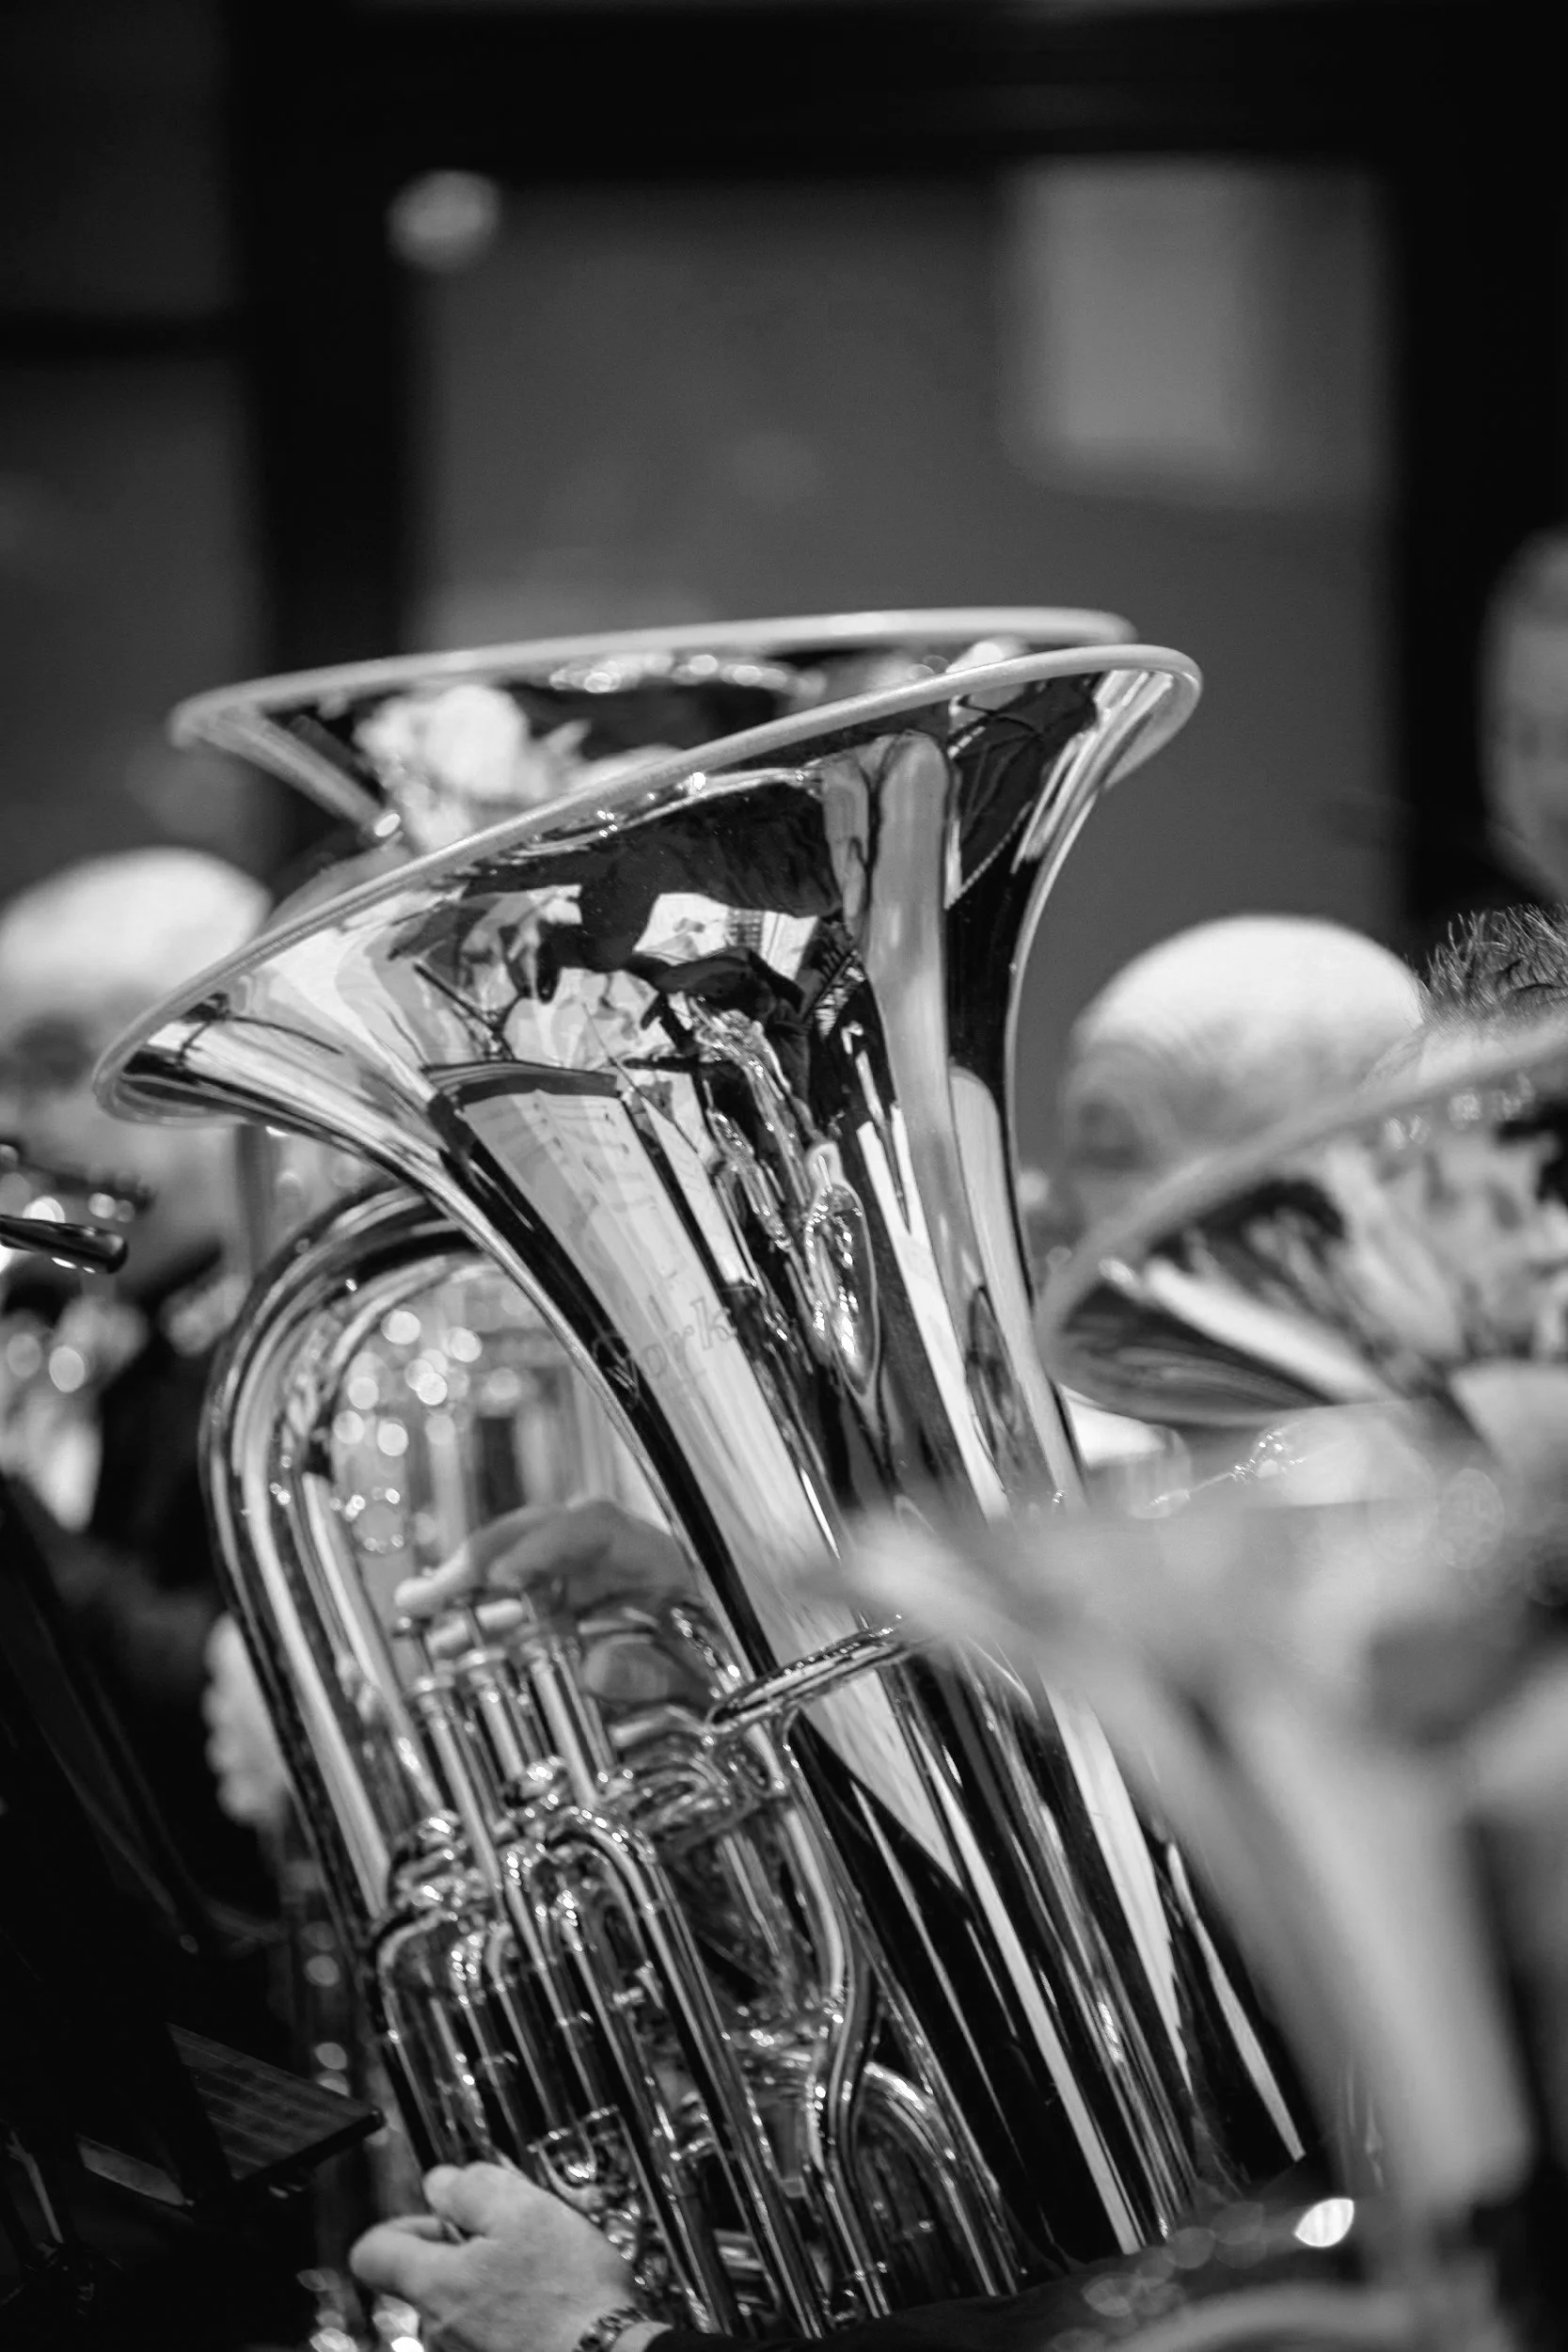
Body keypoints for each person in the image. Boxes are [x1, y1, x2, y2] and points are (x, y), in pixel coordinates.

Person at [0, 848, 273, 1920]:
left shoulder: (265, 1351)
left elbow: (228, 1703)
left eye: (51, 1064)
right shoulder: (84, 1311)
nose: (13, 1123)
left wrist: (20, 1535)